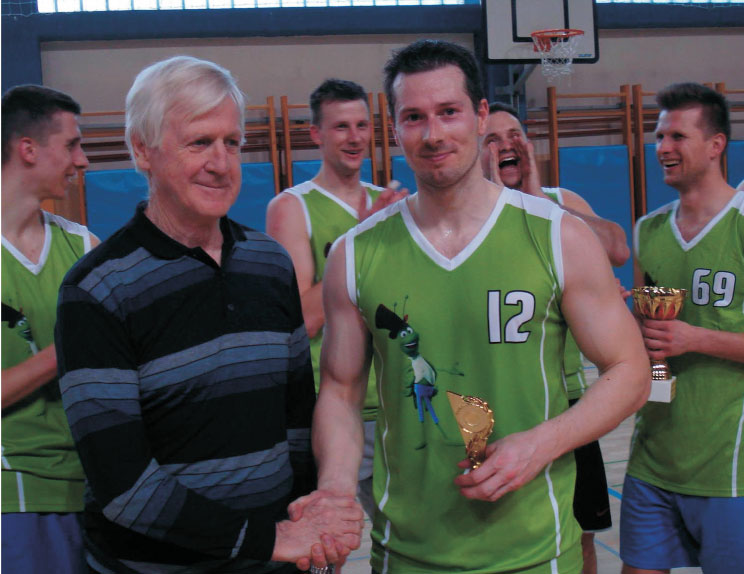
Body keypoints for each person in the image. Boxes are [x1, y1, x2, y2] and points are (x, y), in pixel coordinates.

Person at [306, 39, 649, 574]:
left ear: (480, 115)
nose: (433, 134)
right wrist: (333, 489)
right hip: (406, 552)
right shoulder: (354, 255)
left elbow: (631, 371)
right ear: (394, 129)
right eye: (414, 117)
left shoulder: (558, 236)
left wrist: (542, 443)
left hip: (536, 549)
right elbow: (341, 391)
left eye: (449, 112)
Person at [54, 56, 362, 574]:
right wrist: (269, 539)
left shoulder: (269, 264)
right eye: (199, 143)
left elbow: (295, 426)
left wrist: (314, 522)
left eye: (232, 142)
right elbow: (123, 486)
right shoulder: (96, 288)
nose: (221, 163)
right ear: (142, 150)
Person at [480, 102, 629, 574]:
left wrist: (538, 199)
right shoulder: (469, 213)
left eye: (514, 135)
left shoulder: (559, 202)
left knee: (580, 533)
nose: (506, 145)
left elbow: (618, 248)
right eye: (492, 139)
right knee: (499, 540)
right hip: (495, 402)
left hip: (565, 401)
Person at [266, 79, 406, 520]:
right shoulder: (292, 207)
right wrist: (359, 241)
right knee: (330, 537)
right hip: (334, 404)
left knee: (408, 535)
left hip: (395, 397)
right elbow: (301, 319)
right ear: (316, 134)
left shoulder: (390, 202)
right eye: (341, 126)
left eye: (362, 125)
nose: (355, 137)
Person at [620, 82, 744, 574]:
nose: (663, 148)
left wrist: (696, 339)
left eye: (677, 136)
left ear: (715, 145)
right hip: (653, 455)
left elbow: (682, 339)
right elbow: (651, 347)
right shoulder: (648, 230)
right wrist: (628, 330)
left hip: (729, 464)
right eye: (658, 136)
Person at [2, 84, 97, 574]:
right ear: (28, 149)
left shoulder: (84, 247)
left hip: (94, 484)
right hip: (15, 492)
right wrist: (68, 349)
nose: (83, 160)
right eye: (72, 144)